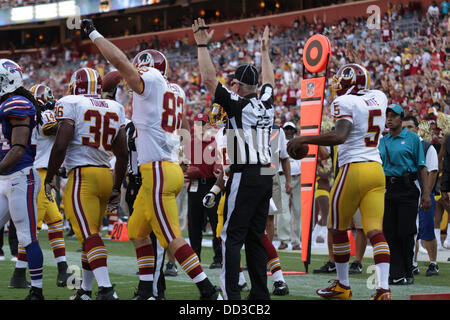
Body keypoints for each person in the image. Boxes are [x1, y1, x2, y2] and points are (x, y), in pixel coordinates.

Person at [81, 19, 221, 300]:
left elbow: (121, 63)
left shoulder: (152, 82)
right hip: (161, 169)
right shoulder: (175, 90)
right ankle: (146, 291)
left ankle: (209, 291)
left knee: (171, 237)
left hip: (158, 170)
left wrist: (95, 34)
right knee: (136, 229)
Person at [287, 64, 392, 300]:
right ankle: (383, 289)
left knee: (336, 227)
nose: (336, 85)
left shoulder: (345, 103)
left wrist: (305, 138)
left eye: (340, 81)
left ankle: (343, 286)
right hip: (376, 169)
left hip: (353, 168)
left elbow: (340, 135)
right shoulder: (379, 97)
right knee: (375, 230)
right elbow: (365, 93)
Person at [194, 18, 275, 300]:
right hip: (266, 174)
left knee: (231, 237)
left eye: (235, 83)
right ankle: (260, 296)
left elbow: (208, 80)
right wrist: (264, 52)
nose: (232, 86)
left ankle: (231, 297)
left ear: (239, 86)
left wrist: (202, 44)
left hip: (246, 173)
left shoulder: (239, 104)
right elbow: (269, 83)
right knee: (255, 237)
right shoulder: (266, 103)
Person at [44, 67, 128, 300]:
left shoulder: (71, 102)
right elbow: (122, 154)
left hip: (83, 178)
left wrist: (50, 176)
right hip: (105, 175)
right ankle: (84, 291)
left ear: (75, 85)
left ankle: (106, 290)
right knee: (90, 235)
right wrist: (115, 188)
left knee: (89, 235)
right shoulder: (116, 107)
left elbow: (60, 145)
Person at [204, 102, 289, 296]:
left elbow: (236, 166)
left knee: (233, 237)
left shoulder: (240, 131)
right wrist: (215, 190)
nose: (217, 119)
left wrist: (216, 189)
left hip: (242, 186)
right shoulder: (227, 133)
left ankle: (242, 284)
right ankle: (262, 280)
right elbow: (229, 167)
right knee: (252, 236)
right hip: (242, 184)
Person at [103, 70, 168, 299]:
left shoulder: (156, 127)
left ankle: (156, 290)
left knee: (156, 239)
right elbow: (113, 116)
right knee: (140, 237)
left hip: (152, 182)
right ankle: (146, 287)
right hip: (133, 186)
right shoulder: (130, 125)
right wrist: (109, 94)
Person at [0, 59, 45, 300]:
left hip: (21, 177)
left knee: (26, 236)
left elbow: (17, 149)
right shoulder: (7, 103)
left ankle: (36, 290)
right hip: (6, 179)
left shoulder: (17, 104)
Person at [378, 104, 431, 285]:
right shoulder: (382, 141)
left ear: (401, 118)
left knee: (406, 232)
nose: (390, 119)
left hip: (408, 188)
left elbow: (422, 167)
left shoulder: (413, 139)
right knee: (390, 232)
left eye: (394, 116)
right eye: (388, 116)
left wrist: (426, 194)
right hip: (388, 189)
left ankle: (408, 271)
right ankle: (396, 273)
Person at [402, 115, 440, 277]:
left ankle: (433, 263)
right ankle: (413, 262)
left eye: (410, 127)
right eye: (404, 127)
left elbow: (432, 171)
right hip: (408, 192)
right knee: (411, 229)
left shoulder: (426, 146)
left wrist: (426, 193)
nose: (407, 130)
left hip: (424, 192)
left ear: (417, 129)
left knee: (427, 229)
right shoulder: (402, 145)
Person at [184, 113, 222, 269]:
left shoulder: (215, 143)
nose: (199, 126)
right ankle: (195, 257)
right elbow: (183, 165)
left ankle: (218, 257)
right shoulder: (189, 144)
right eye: (197, 123)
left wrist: (218, 168)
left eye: (203, 123)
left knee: (215, 223)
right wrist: (185, 173)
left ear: (209, 126)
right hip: (195, 185)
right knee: (194, 224)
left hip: (211, 185)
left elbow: (220, 165)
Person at [277, 121, 301, 251]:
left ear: (295, 131)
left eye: (291, 129)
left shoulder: (300, 142)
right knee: (283, 210)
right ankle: (283, 240)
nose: (289, 131)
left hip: (299, 176)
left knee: (298, 210)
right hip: (283, 176)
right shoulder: (280, 140)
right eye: (286, 129)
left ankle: (296, 241)